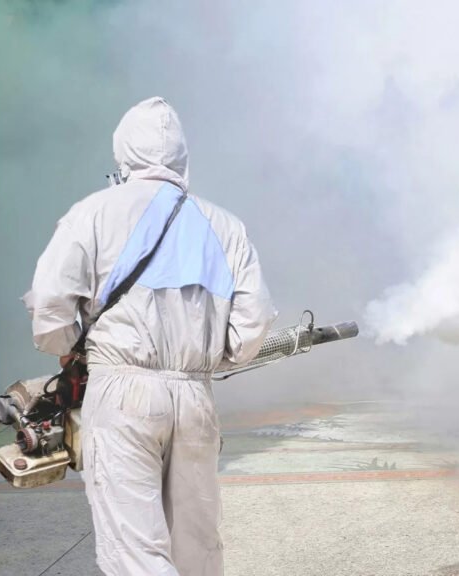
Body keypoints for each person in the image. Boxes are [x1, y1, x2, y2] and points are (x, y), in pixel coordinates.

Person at [23, 97, 277, 576]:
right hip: (195, 396)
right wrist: (207, 360)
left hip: (122, 394)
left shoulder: (93, 213)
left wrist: (69, 348)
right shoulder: (225, 226)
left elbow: (50, 306)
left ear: (123, 152)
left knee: (135, 551)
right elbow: (253, 323)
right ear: (182, 155)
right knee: (197, 547)